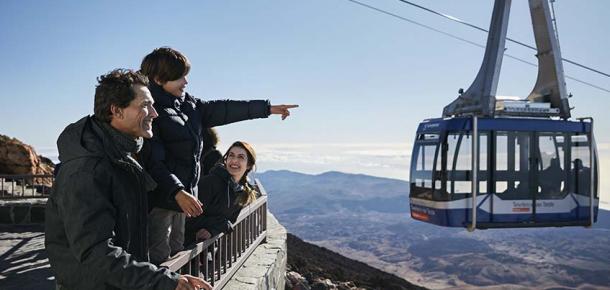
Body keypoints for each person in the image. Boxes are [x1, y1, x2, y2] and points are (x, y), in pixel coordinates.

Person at [45, 69, 210, 290]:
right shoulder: (86, 170)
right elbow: (97, 252)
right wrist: (164, 281)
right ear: (116, 111)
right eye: (145, 105)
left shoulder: (120, 155)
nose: (154, 113)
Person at [139, 47, 298, 265]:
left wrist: (267, 109)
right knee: (159, 259)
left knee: (178, 254)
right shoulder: (150, 113)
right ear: (158, 79)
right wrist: (177, 192)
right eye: (180, 77)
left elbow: (225, 109)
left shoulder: (189, 105)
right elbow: (153, 162)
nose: (186, 82)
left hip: (182, 199)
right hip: (162, 200)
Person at [185, 141, 259, 245]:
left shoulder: (242, 192)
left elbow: (229, 221)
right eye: (231, 155)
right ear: (226, 159)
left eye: (241, 157)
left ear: (249, 165)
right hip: (187, 247)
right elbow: (189, 219)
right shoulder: (210, 183)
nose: (234, 160)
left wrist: (212, 230)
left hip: (209, 248)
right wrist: (219, 223)